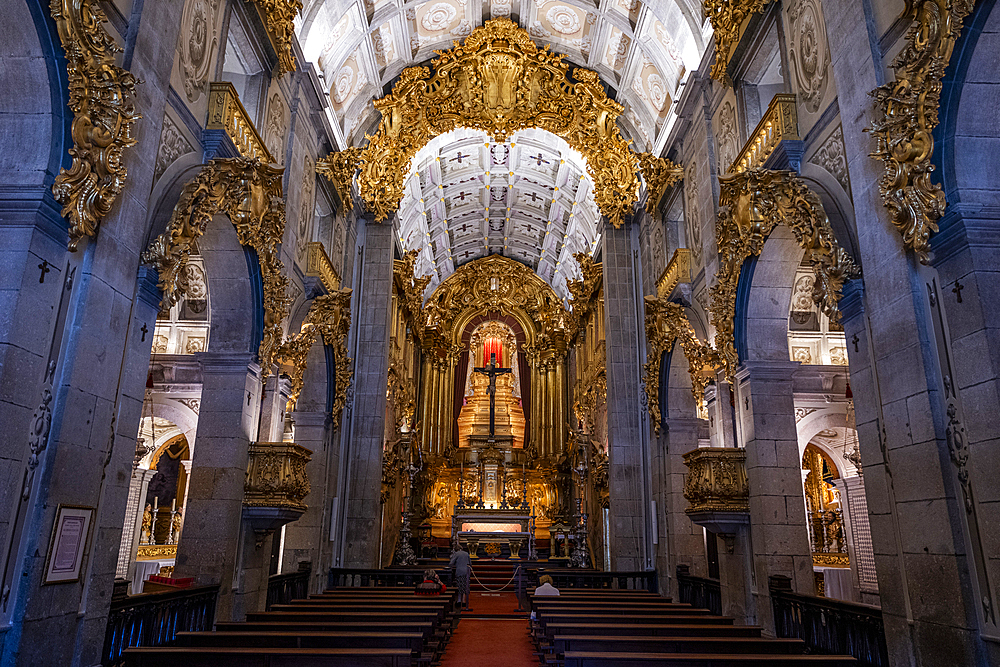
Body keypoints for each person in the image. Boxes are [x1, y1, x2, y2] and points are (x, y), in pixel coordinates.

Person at [449, 544, 472, 609]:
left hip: (459, 571)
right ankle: (464, 600)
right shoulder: (466, 553)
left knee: (459, 586)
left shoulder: (456, 554)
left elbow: (451, 563)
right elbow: (470, 563)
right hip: (466, 571)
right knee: (465, 585)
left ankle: (459, 600)